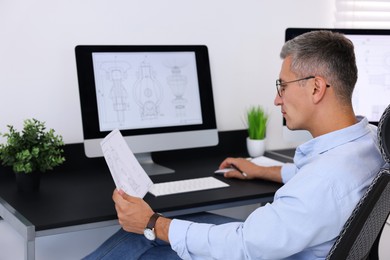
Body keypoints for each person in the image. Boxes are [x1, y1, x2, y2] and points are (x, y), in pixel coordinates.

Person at [83, 30, 385, 259]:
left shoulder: (325, 179)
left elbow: (245, 244)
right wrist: (263, 171)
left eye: (282, 85)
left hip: (261, 251)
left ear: (317, 87)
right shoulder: (368, 143)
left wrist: (152, 222)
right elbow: (319, 188)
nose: (277, 99)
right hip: (282, 244)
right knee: (182, 223)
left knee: (142, 237)